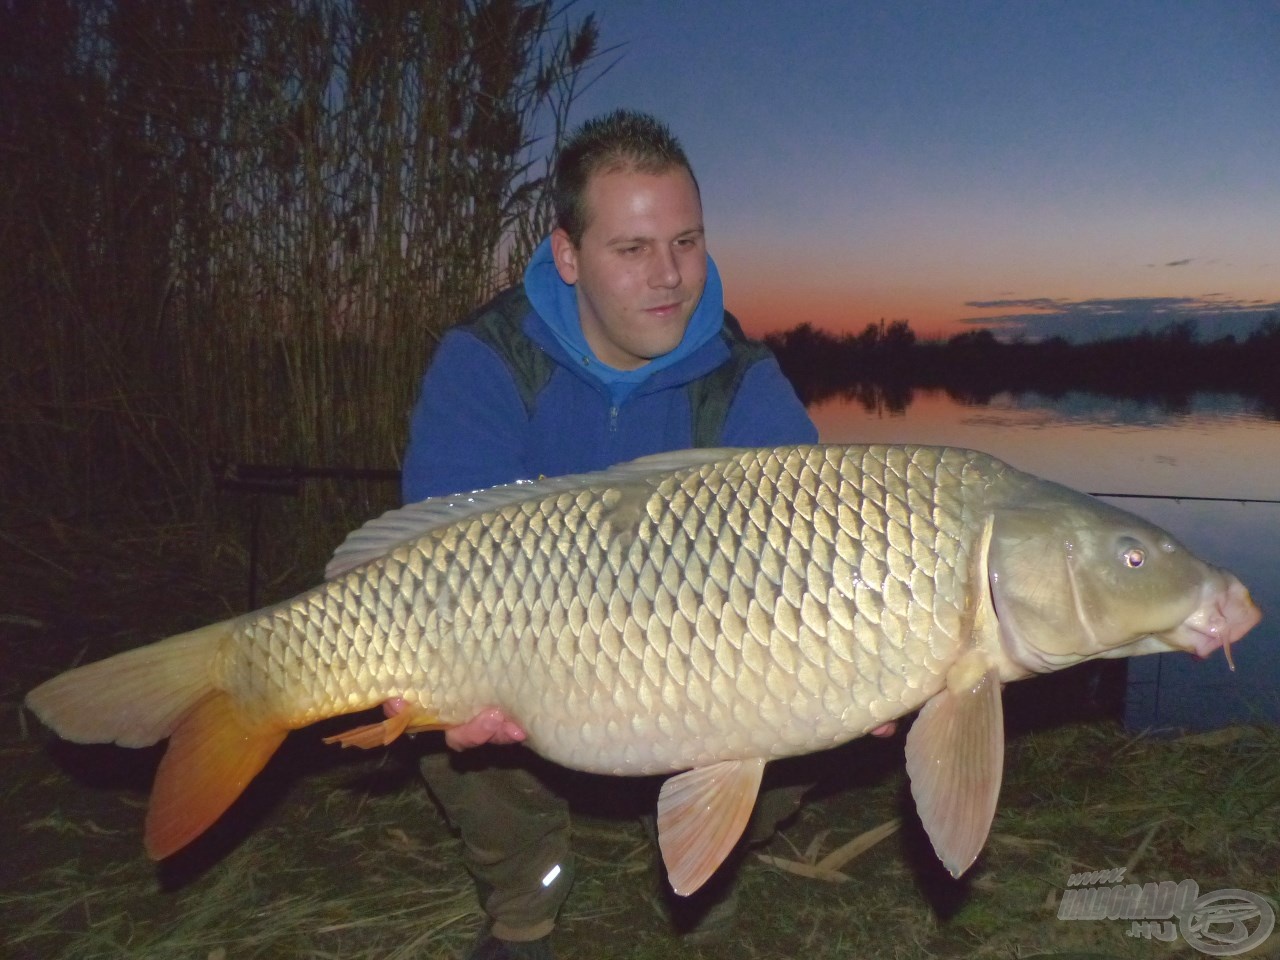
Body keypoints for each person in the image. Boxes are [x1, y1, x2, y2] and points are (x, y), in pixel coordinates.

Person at [399, 109, 843, 960]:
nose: (669, 277)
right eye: (632, 250)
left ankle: (702, 871)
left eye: (686, 241)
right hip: (529, 666)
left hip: (695, 672)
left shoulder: (745, 387)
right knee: (436, 694)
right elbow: (437, 566)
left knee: (812, 695)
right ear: (568, 255)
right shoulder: (489, 363)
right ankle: (525, 903)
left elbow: (804, 575)